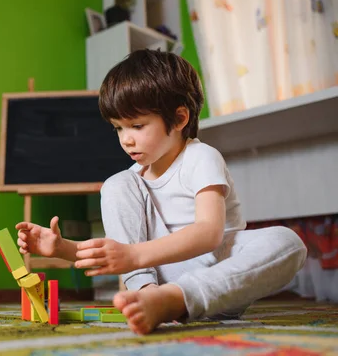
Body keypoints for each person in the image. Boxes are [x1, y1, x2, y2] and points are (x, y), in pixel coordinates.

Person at [16, 49, 307, 335]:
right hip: (157, 277)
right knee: (116, 184)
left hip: (216, 281)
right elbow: (119, 251)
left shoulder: (201, 157)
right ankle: (147, 294)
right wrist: (63, 249)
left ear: (180, 119)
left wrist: (133, 255)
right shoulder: (131, 181)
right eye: (118, 129)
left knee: (288, 242)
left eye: (137, 126)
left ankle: (174, 300)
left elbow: (209, 233)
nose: (126, 140)